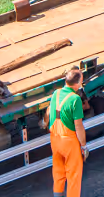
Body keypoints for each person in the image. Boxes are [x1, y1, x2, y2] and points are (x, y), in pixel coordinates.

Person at [42, 68, 88, 197]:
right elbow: (78, 126)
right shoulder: (75, 99)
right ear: (77, 83)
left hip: (55, 140)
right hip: (69, 142)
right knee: (73, 175)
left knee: (58, 172)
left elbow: (48, 112)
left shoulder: (56, 93)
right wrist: (83, 146)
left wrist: (44, 123)